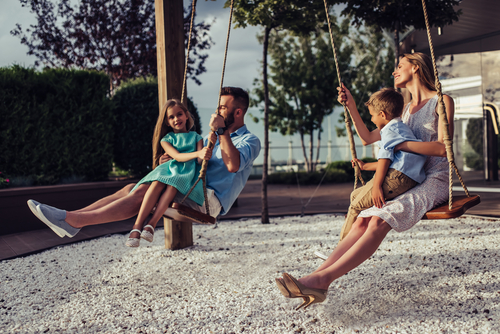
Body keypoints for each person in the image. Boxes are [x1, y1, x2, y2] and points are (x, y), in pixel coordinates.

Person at [276, 52, 454, 310]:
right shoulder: (403, 109)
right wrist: (350, 107)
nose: (395, 71)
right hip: (407, 178)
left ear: (415, 68)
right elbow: (369, 138)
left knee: (379, 220)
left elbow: (442, 149)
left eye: (400, 66)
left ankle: (322, 280)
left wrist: (399, 144)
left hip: (434, 178)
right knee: (363, 218)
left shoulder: (441, 100)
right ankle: (312, 279)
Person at [28, 87, 261, 239]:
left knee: (143, 192)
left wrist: (221, 132)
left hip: (209, 200)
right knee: (130, 188)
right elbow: (194, 161)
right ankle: (71, 216)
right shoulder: (212, 137)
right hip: (191, 187)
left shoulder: (250, 140)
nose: (218, 110)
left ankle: (75, 220)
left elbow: (232, 165)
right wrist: (170, 160)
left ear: (238, 112)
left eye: (223, 107)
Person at [339, 88, 426, 241]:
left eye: (372, 115)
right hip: (403, 174)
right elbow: (390, 161)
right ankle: (355, 236)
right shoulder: (398, 127)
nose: (372, 119)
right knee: (354, 196)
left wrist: (377, 186)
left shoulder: (390, 131)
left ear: (383, 115)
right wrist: (365, 166)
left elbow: (385, 159)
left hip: (397, 177)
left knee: (354, 207)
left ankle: (342, 247)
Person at [124, 99, 212, 247]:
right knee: (157, 182)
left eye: (179, 114)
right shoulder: (166, 139)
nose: (176, 119)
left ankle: (151, 225)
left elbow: (198, 162)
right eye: (171, 117)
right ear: (166, 122)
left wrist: (206, 151)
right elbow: (177, 156)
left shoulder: (197, 137)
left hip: (185, 173)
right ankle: (137, 226)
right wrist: (198, 153)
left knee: (173, 185)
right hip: (170, 169)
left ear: (186, 115)